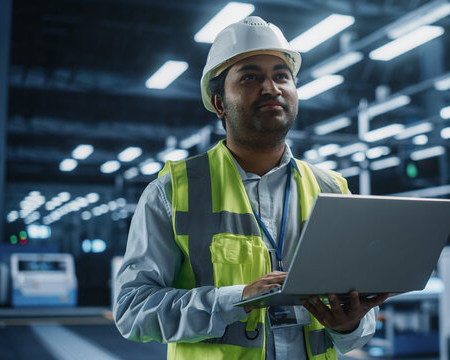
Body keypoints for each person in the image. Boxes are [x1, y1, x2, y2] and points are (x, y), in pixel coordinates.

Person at [113, 16, 388, 360]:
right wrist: (236, 299)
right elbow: (132, 310)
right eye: (250, 77)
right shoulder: (172, 192)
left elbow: (355, 325)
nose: (271, 87)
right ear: (219, 104)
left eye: (281, 75)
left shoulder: (331, 189)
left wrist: (349, 324)